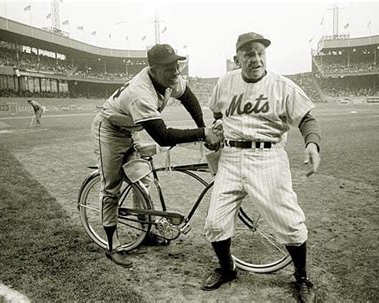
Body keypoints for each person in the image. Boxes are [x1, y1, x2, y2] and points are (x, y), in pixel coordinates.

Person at [201, 32, 321, 303]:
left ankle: (301, 276)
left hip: (268, 158)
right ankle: (227, 269)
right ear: (237, 59)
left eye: (260, 53)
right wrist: (220, 128)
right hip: (231, 157)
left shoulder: (282, 86)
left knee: (290, 222)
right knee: (215, 223)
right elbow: (217, 112)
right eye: (248, 54)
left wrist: (312, 144)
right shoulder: (225, 82)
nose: (255, 59)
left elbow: (307, 119)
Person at [91, 44, 220, 268]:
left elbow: (189, 98)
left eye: (176, 65)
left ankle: (145, 230)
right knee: (112, 187)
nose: (175, 71)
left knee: (143, 179)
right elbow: (163, 136)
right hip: (109, 130)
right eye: (169, 67)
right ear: (153, 69)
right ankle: (112, 247)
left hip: (130, 129)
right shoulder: (140, 93)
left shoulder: (170, 79)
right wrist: (203, 134)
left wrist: (202, 128)